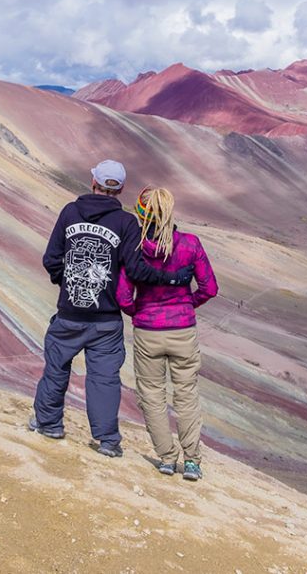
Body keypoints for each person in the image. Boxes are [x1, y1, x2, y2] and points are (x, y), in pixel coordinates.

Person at [30, 160, 194, 458]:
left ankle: (49, 424)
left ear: (93, 181)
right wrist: (170, 278)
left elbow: (51, 259)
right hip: (106, 320)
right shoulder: (126, 223)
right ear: (119, 189)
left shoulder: (70, 212)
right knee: (104, 379)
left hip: (69, 314)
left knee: (56, 369)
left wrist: (67, 283)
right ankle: (107, 440)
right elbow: (136, 269)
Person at [116, 186, 218, 481]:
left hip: (148, 332)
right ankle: (192, 462)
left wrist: (141, 313)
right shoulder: (190, 244)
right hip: (183, 331)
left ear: (139, 213)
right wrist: (187, 304)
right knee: (186, 395)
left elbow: (123, 297)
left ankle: (166, 458)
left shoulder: (134, 251)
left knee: (152, 396)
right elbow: (210, 288)